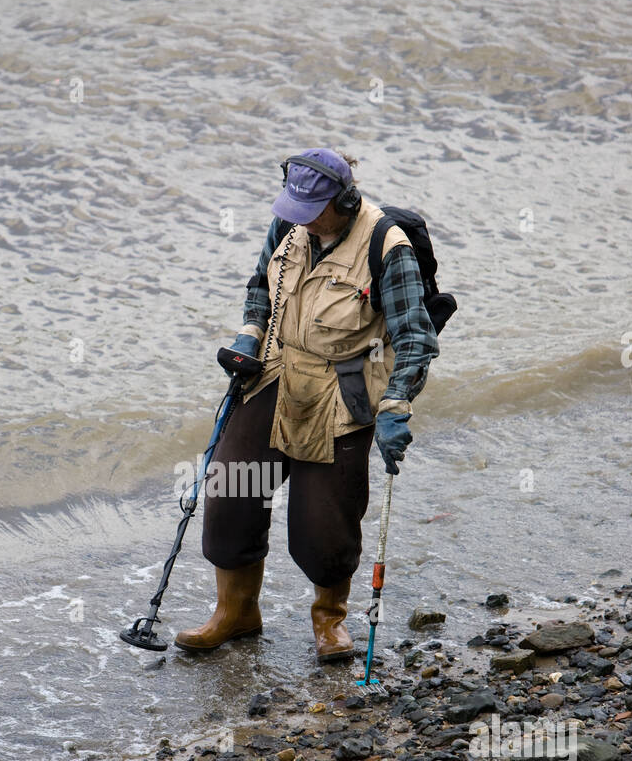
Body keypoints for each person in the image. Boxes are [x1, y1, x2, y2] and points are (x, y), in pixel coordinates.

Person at [174, 147, 439, 661]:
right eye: (291, 207)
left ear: (343, 200)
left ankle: (329, 621)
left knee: (324, 528)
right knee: (230, 494)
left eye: (310, 210)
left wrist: (396, 404)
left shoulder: (388, 246)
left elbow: (416, 338)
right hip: (273, 373)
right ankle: (236, 612)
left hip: (342, 391)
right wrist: (249, 333)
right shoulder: (288, 225)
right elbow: (259, 288)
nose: (298, 219)